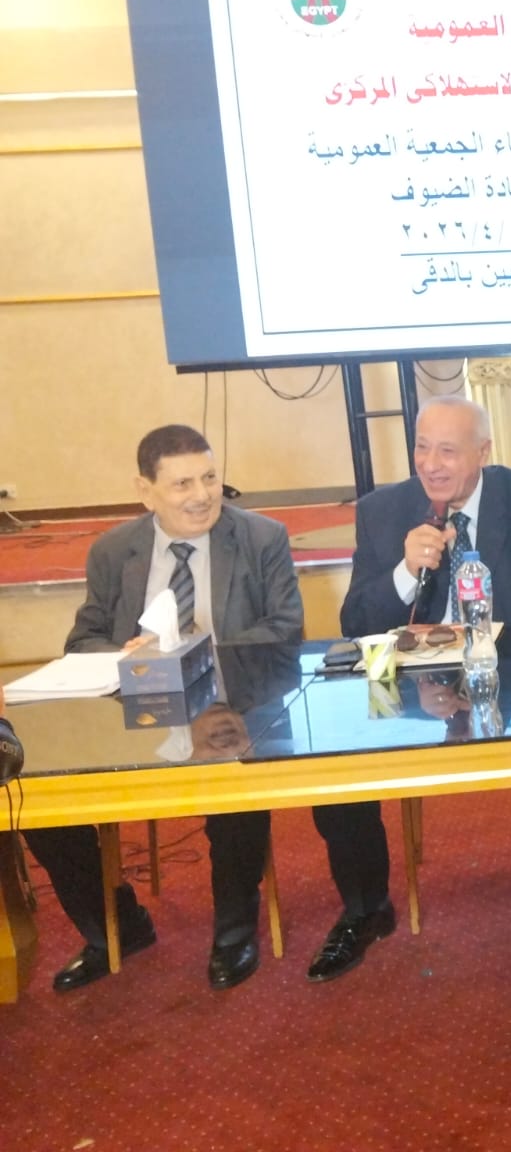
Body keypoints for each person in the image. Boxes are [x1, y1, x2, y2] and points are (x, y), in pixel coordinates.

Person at [325, 396, 511, 971]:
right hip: (411, 688)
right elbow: (356, 625)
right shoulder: (383, 511)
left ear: (483, 452)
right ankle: (365, 909)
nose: (431, 464)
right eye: (421, 448)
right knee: (334, 758)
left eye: (448, 451)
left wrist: (494, 664)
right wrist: (405, 571)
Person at [26, 424, 303, 992]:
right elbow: (83, 642)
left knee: (234, 778)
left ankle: (233, 930)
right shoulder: (113, 550)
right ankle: (115, 926)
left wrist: (193, 651)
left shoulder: (261, 538)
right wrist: (129, 655)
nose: (202, 495)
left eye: (209, 477)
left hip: (233, 703)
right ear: (145, 491)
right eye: (182, 484)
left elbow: (284, 631)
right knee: (39, 800)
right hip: (134, 718)